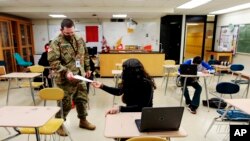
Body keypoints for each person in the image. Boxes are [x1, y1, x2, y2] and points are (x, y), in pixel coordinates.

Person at [48, 18, 95, 136]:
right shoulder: (55, 42)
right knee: (65, 103)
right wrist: (66, 71)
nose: (70, 34)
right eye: (67, 33)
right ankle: (59, 124)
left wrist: (88, 68)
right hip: (64, 79)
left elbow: (85, 55)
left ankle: (83, 121)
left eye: (72, 32)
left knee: (82, 99)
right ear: (61, 30)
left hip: (80, 75)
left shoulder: (79, 38)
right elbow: (53, 61)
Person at [92, 58, 156, 114]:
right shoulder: (129, 80)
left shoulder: (146, 84)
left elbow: (141, 107)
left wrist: (120, 108)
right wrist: (102, 86)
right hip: (130, 112)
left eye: (125, 71)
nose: (123, 73)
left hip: (144, 114)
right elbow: (119, 91)